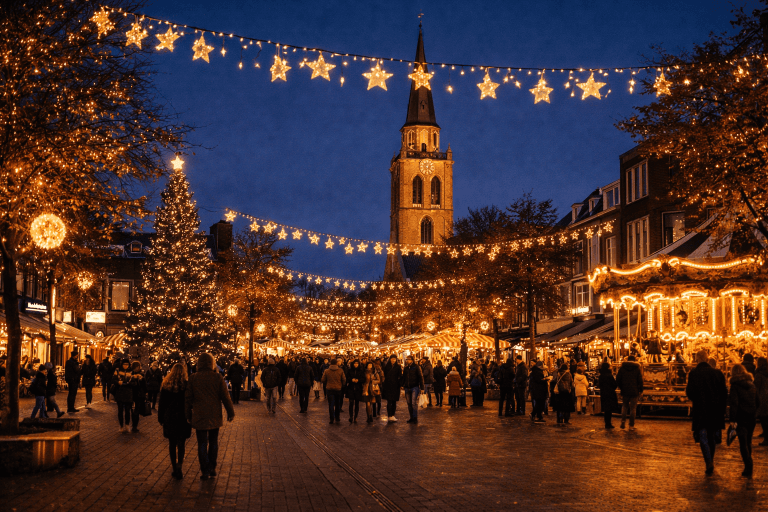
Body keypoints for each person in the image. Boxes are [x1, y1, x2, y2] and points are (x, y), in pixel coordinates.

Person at [186, 353, 235, 480]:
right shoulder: (217, 377)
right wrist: (230, 412)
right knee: (213, 441)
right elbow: (225, 396)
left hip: (199, 414)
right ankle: (212, 467)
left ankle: (205, 469)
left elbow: (188, 398)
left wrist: (188, 414)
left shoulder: (193, 378)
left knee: (202, 442)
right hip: (214, 414)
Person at [685, 350, 728, 475]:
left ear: (697, 358)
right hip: (715, 409)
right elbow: (724, 393)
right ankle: (711, 460)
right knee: (711, 436)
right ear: (707, 358)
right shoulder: (718, 373)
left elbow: (690, 392)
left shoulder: (694, 373)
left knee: (702, 435)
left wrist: (697, 399)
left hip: (701, 408)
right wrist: (722, 407)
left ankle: (708, 461)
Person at [158, 363, 192, 480]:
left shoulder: (166, 385)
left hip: (170, 416)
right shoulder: (186, 385)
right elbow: (189, 401)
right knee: (181, 443)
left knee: (172, 443)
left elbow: (162, 403)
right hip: (182, 417)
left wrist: (160, 417)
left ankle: (174, 467)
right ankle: (179, 466)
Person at [729, 363, 759, 478]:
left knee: (743, 443)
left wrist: (732, 419)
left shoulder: (735, 386)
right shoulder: (752, 385)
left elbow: (734, 403)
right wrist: (753, 411)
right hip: (751, 417)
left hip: (741, 417)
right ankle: (748, 463)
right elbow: (758, 401)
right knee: (748, 441)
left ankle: (748, 464)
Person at [616, 355, 643, 429]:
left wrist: (621, 387)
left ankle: (623, 421)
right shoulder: (637, 368)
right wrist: (641, 390)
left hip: (625, 390)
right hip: (634, 391)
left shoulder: (622, 368)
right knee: (633, 408)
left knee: (624, 406)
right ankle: (631, 425)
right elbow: (640, 380)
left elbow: (618, 379)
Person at [321, 358, 346, 424]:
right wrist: (342, 385)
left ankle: (331, 418)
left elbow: (323, 380)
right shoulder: (340, 370)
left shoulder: (326, 371)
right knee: (337, 404)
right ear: (336, 363)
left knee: (331, 404)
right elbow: (344, 379)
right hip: (338, 389)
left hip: (329, 389)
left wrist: (327, 383)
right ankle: (337, 417)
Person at [112, 359, 134, 433]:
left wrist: (128, 383)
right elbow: (113, 380)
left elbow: (133, 382)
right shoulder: (118, 370)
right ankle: (121, 425)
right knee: (120, 410)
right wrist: (118, 382)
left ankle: (127, 424)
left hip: (128, 393)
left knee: (128, 410)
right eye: (124, 364)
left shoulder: (131, 371)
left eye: (127, 364)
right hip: (120, 392)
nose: (125, 366)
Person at [401, 355, 424, 423]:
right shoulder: (405, 368)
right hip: (407, 387)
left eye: (408, 359)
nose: (407, 360)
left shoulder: (416, 367)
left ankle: (415, 418)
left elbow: (420, 377)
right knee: (409, 403)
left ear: (412, 360)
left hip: (415, 387)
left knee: (413, 403)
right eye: (407, 359)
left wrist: (422, 388)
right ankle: (411, 417)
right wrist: (402, 384)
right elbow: (404, 377)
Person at [598, 362, 618, 429]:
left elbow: (599, 385)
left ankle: (607, 423)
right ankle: (608, 423)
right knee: (609, 409)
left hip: (603, 393)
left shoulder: (601, 375)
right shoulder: (609, 375)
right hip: (610, 393)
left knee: (606, 409)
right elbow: (614, 384)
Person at [383, 355, 402, 422]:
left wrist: (400, 384)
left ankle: (393, 415)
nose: (393, 360)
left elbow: (400, 376)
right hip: (388, 385)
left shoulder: (398, 367)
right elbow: (385, 375)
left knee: (394, 401)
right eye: (392, 359)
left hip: (395, 386)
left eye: (394, 359)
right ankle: (389, 415)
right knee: (389, 401)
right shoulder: (387, 366)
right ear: (390, 359)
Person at [129, 361, 146, 433]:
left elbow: (144, 385)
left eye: (137, 367)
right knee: (133, 411)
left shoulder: (141, 374)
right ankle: (134, 425)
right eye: (135, 367)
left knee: (136, 411)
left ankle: (135, 425)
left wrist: (141, 380)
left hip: (138, 395)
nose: (136, 369)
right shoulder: (131, 374)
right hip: (133, 395)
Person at [754, 357, 768, 445]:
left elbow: (756, 387)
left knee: (763, 418)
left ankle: (766, 438)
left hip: (762, 398)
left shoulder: (758, 374)